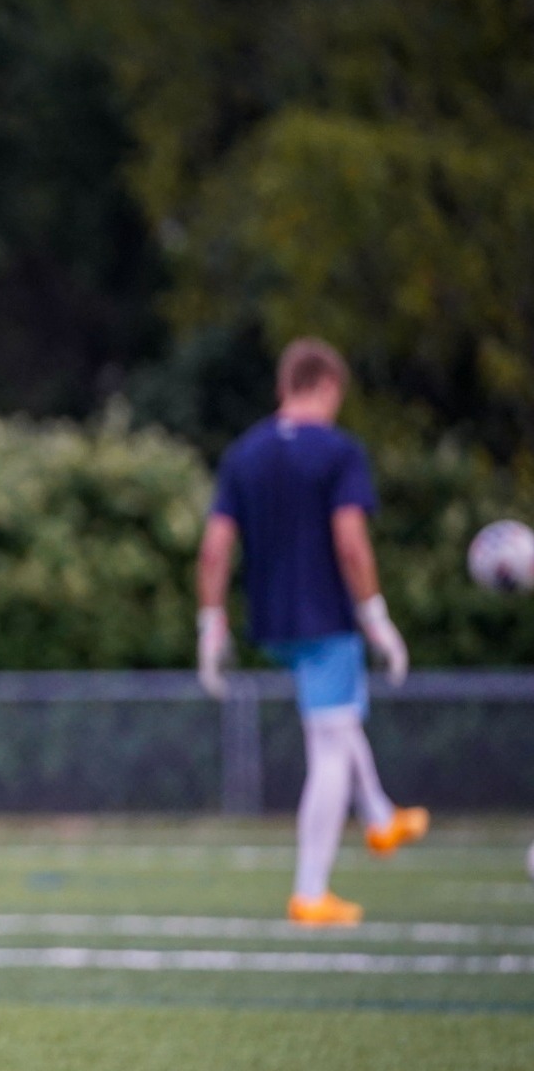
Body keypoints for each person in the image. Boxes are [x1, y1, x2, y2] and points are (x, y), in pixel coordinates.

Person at [196, 337, 429, 926]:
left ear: (283, 385)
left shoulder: (244, 453)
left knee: (340, 721)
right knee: (329, 745)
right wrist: (375, 615)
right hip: (326, 618)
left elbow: (215, 548)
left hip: (271, 622)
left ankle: (379, 815)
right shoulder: (338, 451)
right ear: (328, 387)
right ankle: (310, 891)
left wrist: (210, 622)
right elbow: (350, 541)